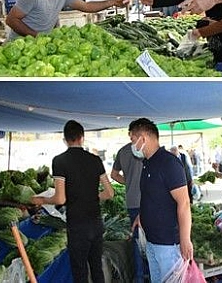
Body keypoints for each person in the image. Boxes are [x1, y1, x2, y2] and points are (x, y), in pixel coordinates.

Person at [31, 120, 114, 283]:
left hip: (77, 225)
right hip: (96, 223)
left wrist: (42, 199)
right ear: (82, 138)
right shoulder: (95, 160)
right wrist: (93, 197)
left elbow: (60, 198)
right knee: (96, 267)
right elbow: (110, 192)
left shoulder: (59, 161)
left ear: (65, 139)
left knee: (80, 271)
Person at [130, 118, 192, 283]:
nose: (132, 145)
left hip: (168, 244)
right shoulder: (148, 163)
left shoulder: (168, 163)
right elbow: (152, 196)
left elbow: (184, 203)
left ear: (143, 138)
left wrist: (185, 239)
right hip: (152, 240)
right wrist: (141, 215)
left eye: (133, 140)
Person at [110, 134, 147, 283]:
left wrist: (129, 182)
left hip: (132, 201)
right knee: (150, 239)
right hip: (147, 200)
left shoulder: (122, 151)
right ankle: (150, 273)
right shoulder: (145, 149)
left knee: (137, 239)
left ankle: (139, 276)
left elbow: (114, 174)